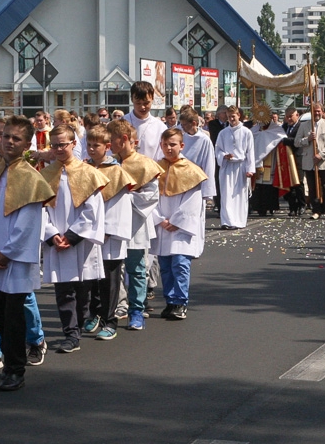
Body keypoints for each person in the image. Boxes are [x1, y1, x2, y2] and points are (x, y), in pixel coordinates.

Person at [0, 115, 55, 391]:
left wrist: (7, 252)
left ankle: (15, 369)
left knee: (14, 313)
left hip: (16, 258)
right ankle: (7, 360)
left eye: (16, 138)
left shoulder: (31, 178)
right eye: (6, 136)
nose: (9, 142)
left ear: (27, 145)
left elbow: (28, 223)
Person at [40, 125, 107, 353]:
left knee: (82, 289)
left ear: (74, 144)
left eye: (63, 144)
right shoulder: (45, 175)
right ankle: (71, 334)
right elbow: (40, 210)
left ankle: (80, 323)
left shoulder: (88, 173)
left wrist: (71, 236)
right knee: (63, 290)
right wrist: (51, 234)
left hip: (79, 240)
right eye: (54, 145)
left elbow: (93, 210)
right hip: (56, 240)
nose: (59, 149)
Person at [107, 119, 161, 331]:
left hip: (135, 223)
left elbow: (151, 195)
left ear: (124, 139)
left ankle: (137, 310)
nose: (109, 144)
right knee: (113, 269)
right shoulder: (110, 163)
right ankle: (117, 306)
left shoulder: (144, 164)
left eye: (112, 140)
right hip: (112, 224)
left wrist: (125, 197)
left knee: (137, 268)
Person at [84, 124, 134, 340]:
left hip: (108, 236)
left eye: (96, 145)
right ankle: (94, 313)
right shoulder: (84, 169)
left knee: (109, 281)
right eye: (89, 145)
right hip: (88, 233)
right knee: (91, 280)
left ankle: (110, 321)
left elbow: (119, 206)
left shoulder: (117, 171)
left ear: (107, 147)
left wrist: (106, 230)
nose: (91, 149)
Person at [152, 128, 208, 319]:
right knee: (165, 267)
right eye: (165, 144)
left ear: (181, 145)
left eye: (173, 144)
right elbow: (150, 198)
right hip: (163, 225)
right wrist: (159, 219)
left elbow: (193, 200)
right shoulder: (156, 168)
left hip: (180, 228)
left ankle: (180, 302)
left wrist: (176, 221)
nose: (169, 148)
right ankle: (170, 301)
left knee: (180, 264)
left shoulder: (191, 170)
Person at [214, 105, 255, 229]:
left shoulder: (246, 132)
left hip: (241, 166)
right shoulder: (223, 133)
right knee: (226, 194)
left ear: (238, 115)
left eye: (233, 116)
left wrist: (250, 169)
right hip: (227, 166)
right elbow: (217, 149)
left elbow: (250, 152)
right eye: (228, 117)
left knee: (239, 195)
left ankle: (238, 221)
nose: (231, 119)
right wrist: (224, 156)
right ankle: (227, 221)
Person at [295, 103, 325, 220]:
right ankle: (316, 210)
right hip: (309, 161)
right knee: (312, 187)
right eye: (315, 111)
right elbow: (296, 142)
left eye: (318, 111)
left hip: (324, 161)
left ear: (322, 111)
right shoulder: (304, 125)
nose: (317, 113)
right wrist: (307, 139)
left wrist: (321, 155)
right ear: (311, 112)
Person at [125, 81, 164, 161]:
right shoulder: (121, 123)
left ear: (152, 99)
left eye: (146, 103)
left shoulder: (160, 127)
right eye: (138, 103)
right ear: (131, 99)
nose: (142, 107)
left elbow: (162, 156)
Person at [282, 107, 305, 216]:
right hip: (286, 158)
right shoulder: (284, 127)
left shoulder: (301, 126)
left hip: (298, 157)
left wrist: (285, 140)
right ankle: (292, 207)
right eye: (287, 117)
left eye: (291, 116)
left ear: (297, 115)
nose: (289, 119)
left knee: (298, 182)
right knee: (289, 183)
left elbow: (297, 141)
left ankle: (302, 205)